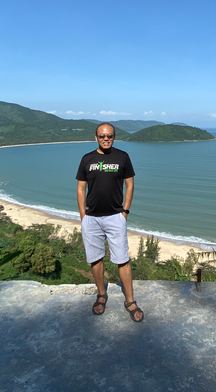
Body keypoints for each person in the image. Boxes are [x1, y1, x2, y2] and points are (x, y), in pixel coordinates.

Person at [76, 122, 143, 322]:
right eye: (102, 136)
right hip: (92, 218)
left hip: (115, 217)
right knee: (95, 258)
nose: (106, 139)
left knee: (122, 259)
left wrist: (125, 212)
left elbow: (130, 185)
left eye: (110, 136)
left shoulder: (123, 157)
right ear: (95, 137)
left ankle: (130, 300)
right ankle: (101, 294)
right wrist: (83, 216)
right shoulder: (87, 159)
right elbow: (81, 189)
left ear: (114, 137)